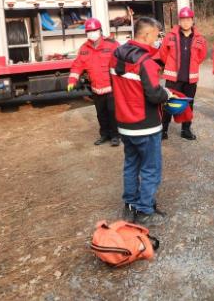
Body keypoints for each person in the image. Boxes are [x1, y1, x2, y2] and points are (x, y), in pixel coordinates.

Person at [110, 17, 173, 226]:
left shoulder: (116, 55)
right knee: (150, 169)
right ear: (146, 35)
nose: (157, 40)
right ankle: (145, 210)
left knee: (131, 165)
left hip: (124, 124)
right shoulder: (146, 62)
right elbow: (154, 95)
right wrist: (167, 94)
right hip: (146, 125)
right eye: (156, 35)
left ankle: (129, 206)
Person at [67, 18, 120, 146]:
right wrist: (72, 80)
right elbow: (77, 66)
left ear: (100, 31)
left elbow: (122, 62)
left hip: (111, 87)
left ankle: (115, 136)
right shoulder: (84, 48)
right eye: (89, 31)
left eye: (94, 30)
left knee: (112, 112)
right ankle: (104, 135)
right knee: (101, 114)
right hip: (96, 88)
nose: (92, 33)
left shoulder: (112, 45)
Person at [157, 7, 207, 140]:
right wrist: (170, 65)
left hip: (190, 79)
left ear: (192, 21)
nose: (185, 22)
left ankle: (186, 130)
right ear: (179, 21)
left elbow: (201, 56)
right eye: (183, 20)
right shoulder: (170, 36)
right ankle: (163, 130)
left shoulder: (200, 39)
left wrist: (193, 65)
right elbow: (163, 53)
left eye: (188, 19)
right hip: (173, 78)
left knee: (188, 105)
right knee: (168, 103)